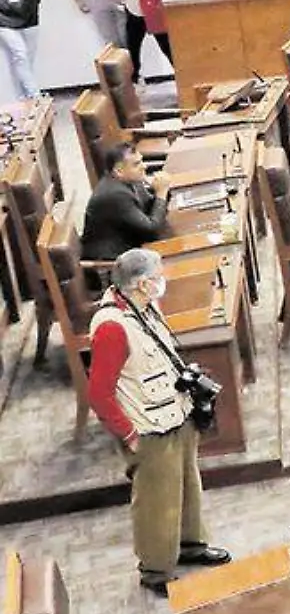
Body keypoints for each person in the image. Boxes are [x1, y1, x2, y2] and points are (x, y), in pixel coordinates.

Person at [86, 249, 231, 592]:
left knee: (186, 487)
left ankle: (190, 545)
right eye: (156, 277)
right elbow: (99, 393)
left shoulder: (143, 307)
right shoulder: (111, 328)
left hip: (175, 414)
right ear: (140, 285)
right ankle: (156, 571)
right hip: (149, 429)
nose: (162, 282)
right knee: (156, 503)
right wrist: (130, 435)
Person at [82, 143, 172, 263]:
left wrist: (159, 190)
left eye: (141, 161)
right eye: (136, 164)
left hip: (135, 246)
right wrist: (161, 193)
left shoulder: (131, 181)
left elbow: (149, 210)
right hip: (114, 263)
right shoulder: (115, 195)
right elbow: (151, 230)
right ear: (119, 171)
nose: (144, 167)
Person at [0, 0, 48, 101]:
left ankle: (25, 96)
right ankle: (35, 97)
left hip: (29, 16)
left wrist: (31, 3)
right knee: (19, 54)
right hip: (3, 20)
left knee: (27, 59)